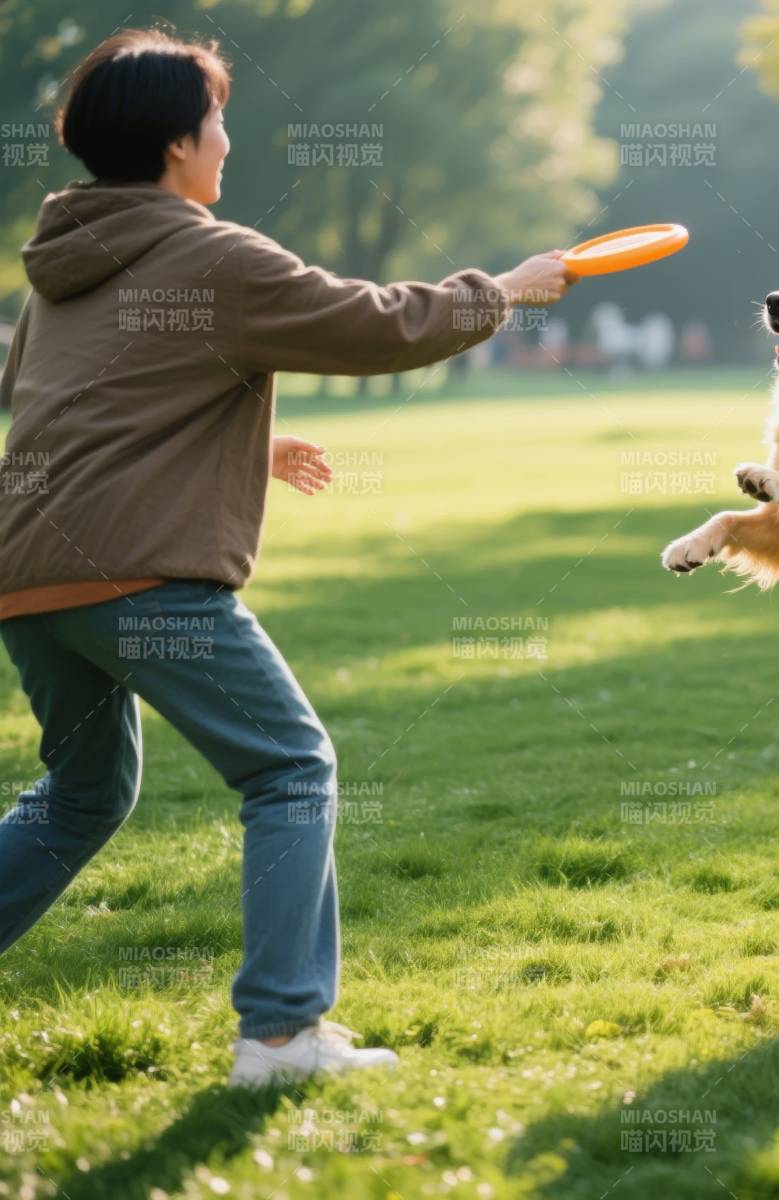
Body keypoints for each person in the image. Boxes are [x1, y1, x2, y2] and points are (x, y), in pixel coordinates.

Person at [0, 27, 573, 1085]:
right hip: (142, 576)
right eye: (218, 121)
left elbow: (68, 406)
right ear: (178, 142)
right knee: (289, 767)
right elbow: (367, 325)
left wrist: (245, 447)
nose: (229, 140)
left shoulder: (57, 272)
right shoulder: (210, 253)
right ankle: (280, 1037)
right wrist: (503, 290)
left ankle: (283, 1032)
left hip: (29, 580)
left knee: (82, 796)